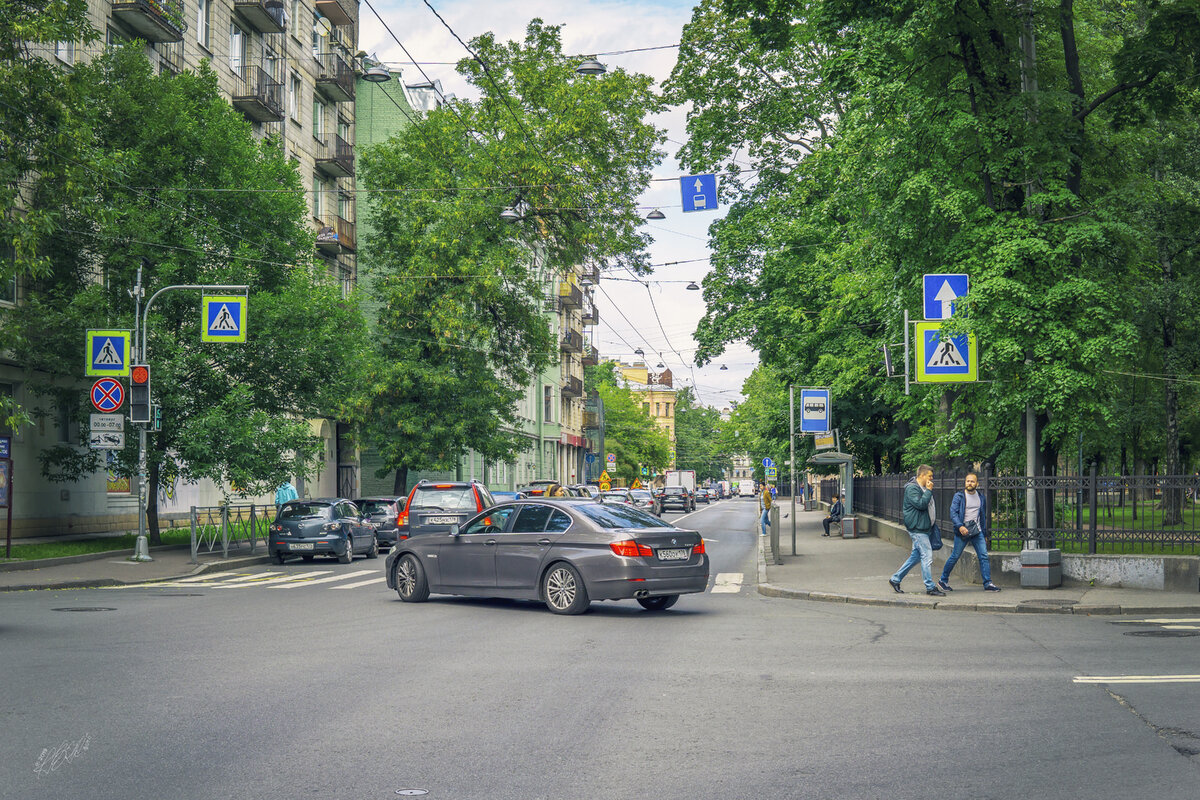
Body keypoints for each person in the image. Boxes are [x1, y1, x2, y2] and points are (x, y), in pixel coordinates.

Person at [938, 472, 1001, 592]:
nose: (970, 483)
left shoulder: (981, 497)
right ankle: (943, 580)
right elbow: (953, 512)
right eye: (968, 481)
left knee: (984, 556)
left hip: (977, 532)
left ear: (977, 483)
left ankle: (988, 583)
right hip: (962, 531)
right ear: (965, 483)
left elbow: (983, 516)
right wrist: (960, 526)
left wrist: (985, 533)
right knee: (955, 556)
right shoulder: (959, 496)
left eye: (972, 481)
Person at [889, 465, 944, 596]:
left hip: (924, 527)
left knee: (916, 556)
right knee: (927, 556)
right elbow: (921, 504)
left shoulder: (923, 488)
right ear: (922, 475)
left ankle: (895, 579)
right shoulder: (912, 488)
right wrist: (929, 491)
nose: (932, 479)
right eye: (930, 476)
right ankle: (930, 587)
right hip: (917, 528)